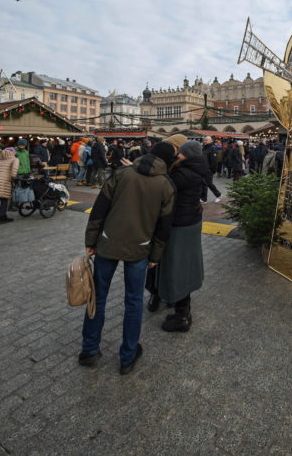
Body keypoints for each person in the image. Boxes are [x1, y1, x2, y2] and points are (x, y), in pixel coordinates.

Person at [80, 141, 177, 374]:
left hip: (107, 242)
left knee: (98, 297)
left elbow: (100, 208)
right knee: (133, 302)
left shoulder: (121, 174)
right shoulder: (166, 185)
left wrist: (90, 241)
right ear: (167, 161)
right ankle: (127, 356)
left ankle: (89, 350)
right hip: (140, 248)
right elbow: (165, 226)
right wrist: (155, 255)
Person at [154, 140, 207, 332]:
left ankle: (182, 315)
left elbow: (161, 189)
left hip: (180, 225)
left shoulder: (182, 173)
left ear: (186, 154)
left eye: (180, 152)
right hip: (191, 221)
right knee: (184, 265)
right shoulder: (195, 168)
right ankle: (181, 307)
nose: (177, 155)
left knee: (178, 267)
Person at [200, 136, 221, 204]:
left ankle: (218, 195)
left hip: (209, 170)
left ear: (211, 141)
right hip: (203, 169)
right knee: (204, 184)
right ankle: (204, 199)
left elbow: (214, 161)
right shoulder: (204, 148)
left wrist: (212, 170)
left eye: (206, 140)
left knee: (209, 183)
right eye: (204, 140)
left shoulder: (212, 148)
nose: (205, 141)